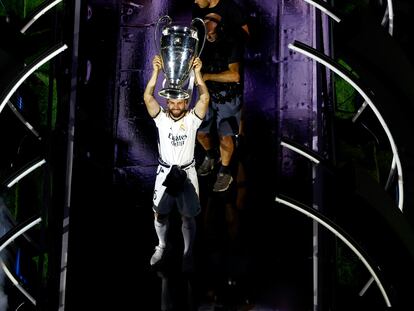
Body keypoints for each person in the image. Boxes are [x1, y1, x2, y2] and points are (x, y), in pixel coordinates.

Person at [143, 55, 210, 270]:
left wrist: (198, 72)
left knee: (188, 216)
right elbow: (147, 97)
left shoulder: (192, 120)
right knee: (160, 214)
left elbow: (205, 99)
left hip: (187, 173)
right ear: (168, 102)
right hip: (164, 173)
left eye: (179, 101)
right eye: (171, 102)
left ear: (185, 102)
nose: (175, 105)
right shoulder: (161, 118)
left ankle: (187, 252)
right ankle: (162, 245)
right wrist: (155, 71)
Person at [195, 12, 245, 192]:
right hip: (206, 94)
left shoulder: (230, 43)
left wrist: (208, 76)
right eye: (205, 20)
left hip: (227, 96)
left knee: (225, 134)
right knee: (200, 132)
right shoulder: (199, 44)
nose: (207, 24)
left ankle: (225, 171)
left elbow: (235, 75)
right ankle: (210, 155)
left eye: (211, 21)